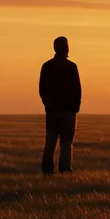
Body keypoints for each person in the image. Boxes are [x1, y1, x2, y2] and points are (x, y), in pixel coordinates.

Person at [38, 36, 81, 175]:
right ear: (65, 48)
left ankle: (47, 169)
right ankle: (65, 169)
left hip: (53, 111)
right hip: (67, 111)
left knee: (50, 141)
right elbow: (77, 90)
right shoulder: (71, 67)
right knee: (66, 143)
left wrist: (48, 105)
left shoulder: (47, 66)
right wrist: (75, 107)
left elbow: (42, 90)